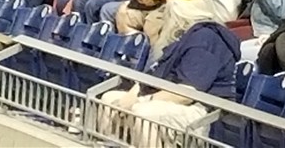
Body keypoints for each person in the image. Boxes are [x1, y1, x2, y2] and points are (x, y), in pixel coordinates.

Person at [99, 20, 239, 147]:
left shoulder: (206, 40)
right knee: (109, 100)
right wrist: (132, 95)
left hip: (203, 112)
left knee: (143, 113)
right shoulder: (186, 37)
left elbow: (186, 94)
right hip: (168, 98)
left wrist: (141, 100)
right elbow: (153, 76)